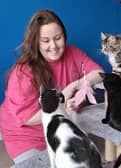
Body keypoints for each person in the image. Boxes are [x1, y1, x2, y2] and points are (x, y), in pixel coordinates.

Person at [0, 9, 104, 165]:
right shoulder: (23, 72)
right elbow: (28, 119)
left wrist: (74, 85)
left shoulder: (73, 52)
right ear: (36, 42)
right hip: (27, 134)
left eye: (58, 38)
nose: (54, 46)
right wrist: (62, 105)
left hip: (62, 125)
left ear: (64, 36)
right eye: (46, 40)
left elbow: (99, 73)